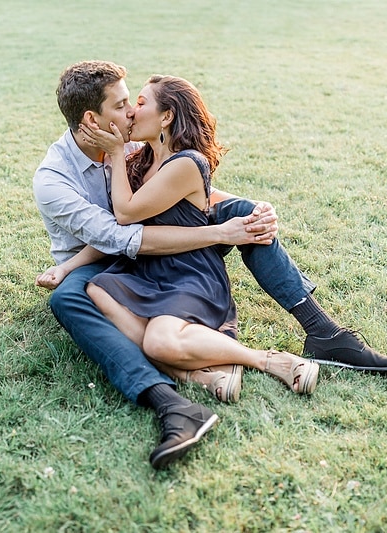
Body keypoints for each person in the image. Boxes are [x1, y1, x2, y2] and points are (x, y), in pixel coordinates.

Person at [32, 60, 387, 468]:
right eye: (124, 105)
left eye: (135, 103)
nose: (132, 112)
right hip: (109, 254)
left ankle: (323, 332)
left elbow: (185, 185)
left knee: (245, 215)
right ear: (92, 118)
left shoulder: (133, 141)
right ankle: (181, 390)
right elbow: (121, 235)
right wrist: (219, 233)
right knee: (74, 296)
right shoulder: (56, 178)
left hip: (163, 253)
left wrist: (247, 210)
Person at [77, 74, 320, 398]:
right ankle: (200, 373)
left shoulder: (188, 163)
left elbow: (125, 213)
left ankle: (269, 361)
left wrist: (116, 154)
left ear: (166, 116)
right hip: (148, 268)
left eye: (140, 103)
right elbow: (114, 227)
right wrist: (66, 268)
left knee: (158, 340)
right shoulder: (142, 160)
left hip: (187, 271)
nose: (132, 112)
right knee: (97, 290)